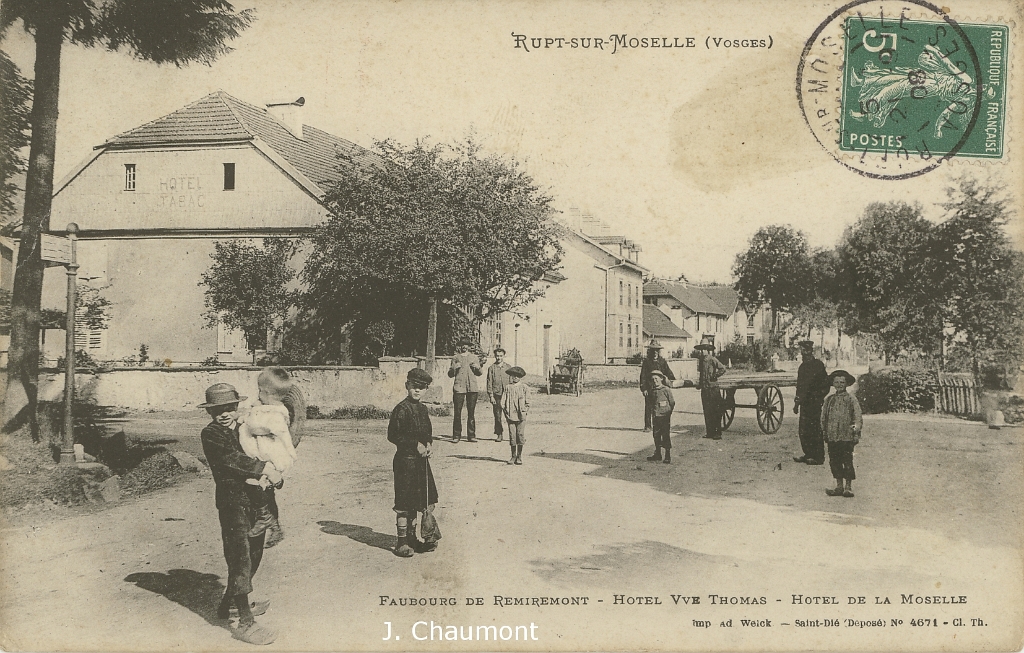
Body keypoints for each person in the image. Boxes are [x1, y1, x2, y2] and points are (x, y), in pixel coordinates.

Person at [199, 383, 279, 645]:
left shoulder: (248, 428)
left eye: (228, 408)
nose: (223, 414)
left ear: (236, 407)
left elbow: (272, 450)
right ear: (210, 413)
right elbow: (231, 459)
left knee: (254, 554)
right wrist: (265, 468)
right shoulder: (211, 434)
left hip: (257, 501)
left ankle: (228, 605)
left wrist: (277, 472)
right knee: (240, 558)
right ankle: (245, 621)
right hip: (233, 503)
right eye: (216, 410)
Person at [238, 368, 299, 540]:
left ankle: (266, 518)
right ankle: (272, 522)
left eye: (260, 391)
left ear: (267, 393)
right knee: (261, 485)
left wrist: (246, 419)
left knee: (256, 482)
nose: (258, 395)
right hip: (267, 451)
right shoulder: (270, 407)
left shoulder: (275, 413)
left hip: (272, 455)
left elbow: (258, 427)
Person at [388, 368, 440, 557]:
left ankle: (413, 539)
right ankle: (401, 542)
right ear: (406, 386)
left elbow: (427, 432)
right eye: (414, 387)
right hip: (405, 462)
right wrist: (413, 444)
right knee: (404, 502)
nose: (417, 391)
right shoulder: (401, 409)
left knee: (420, 499)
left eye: (422, 388)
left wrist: (428, 444)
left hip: (421, 463)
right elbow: (393, 435)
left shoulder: (423, 409)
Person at [820, 370, 863, 498]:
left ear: (846, 384)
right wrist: (825, 432)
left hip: (847, 436)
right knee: (834, 460)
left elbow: (857, 417)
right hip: (833, 435)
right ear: (833, 384)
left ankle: (848, 487)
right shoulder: (829, 400)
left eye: (842, 382)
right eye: (837, 382)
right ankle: (839, 486)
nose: (839, 385)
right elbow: (824, 417)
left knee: (847, 460)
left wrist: (855, 432)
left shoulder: (851, 399)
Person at [792, 340, 829, 466]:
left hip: (814, 402)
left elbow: (826, 384)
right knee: (803, 429)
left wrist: (819, 397)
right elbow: (799, 386)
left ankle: (818, 457)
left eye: (806, 351)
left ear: (811, 351)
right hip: (804, 402)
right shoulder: (802, 367)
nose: (804, 353)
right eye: (802, 351)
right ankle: (808, 454)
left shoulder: (818, 365)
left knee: (814, 428)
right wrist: (796, 403)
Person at [448, 338, 483, 442]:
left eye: (466, 345)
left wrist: (477, 367)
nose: (464, 347)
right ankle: (456, 435)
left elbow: (479, 373)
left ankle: (471, 435)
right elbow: (450, 374)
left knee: (471, 412)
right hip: (459, 387)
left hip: (472, 388)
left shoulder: (474, 357)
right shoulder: (455, 358)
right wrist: (454, 368)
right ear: (460, 346)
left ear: (469, 346)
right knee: (457, 412)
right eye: (462, 345)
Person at [696, 335, 727, 440]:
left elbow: (723, 369)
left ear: (708, 350)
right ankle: (710, 432)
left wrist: (715, 376)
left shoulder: (712, 359)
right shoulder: (701, 361)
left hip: (713, 389)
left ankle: (718, 433)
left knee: (716, 411)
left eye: (705, 349)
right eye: (701, 349)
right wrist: (700, 384)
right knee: (707, 411)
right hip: (705, 390)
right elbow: (701, 374)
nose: (703, 351)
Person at [640, 340, 675, 431]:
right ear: (650, 351)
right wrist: (644, 389)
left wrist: (669, 380)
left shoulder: (662, 362)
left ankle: (661, 425)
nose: (655, 352)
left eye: (657, 350)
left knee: (661, 406)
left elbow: (670, 374)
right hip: (650, 388)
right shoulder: (647, 362)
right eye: (653, 350)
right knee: (649, 406)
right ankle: (648, 426)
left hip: (660, 389)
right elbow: (643, 376)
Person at [646, 370, 676, 464]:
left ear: (661, 379)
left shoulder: (666, 389)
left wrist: (668, 412)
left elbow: (672, 402)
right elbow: (650, 403)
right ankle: (658, 453)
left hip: (664, 416)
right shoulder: (652, 391)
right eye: (653, 379)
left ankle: (667, 455)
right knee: (656, 435)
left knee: (665, 435)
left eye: (656, 378)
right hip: (656, 416)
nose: (655, 381)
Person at [501, 366, 529, 465]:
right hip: (510, 415)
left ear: (520, 377)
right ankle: (513, 456)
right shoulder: (508, 387)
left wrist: (524, 411)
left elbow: (528, 402)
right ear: (511, 376)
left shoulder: (524, 387)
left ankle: (519, 456)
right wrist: (506, 411)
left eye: (518, 376)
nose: (515, 378)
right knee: (512, 436)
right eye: (513, 376)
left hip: (521, 415)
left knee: (520, 435)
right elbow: (503, 402)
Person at [486, 346, 511, 442]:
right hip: (496, 395)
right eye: (497, 356)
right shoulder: (491, 368)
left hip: (507, 394)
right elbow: (489, 382)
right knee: (497, 416)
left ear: (504, 356)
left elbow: (511, 381)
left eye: (501, 356)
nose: (499, 358)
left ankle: (512, 434)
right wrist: (491, 396)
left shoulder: (508, 367)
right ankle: (499, 434)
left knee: (509, 415)